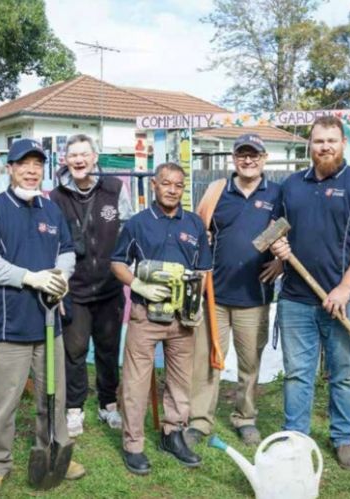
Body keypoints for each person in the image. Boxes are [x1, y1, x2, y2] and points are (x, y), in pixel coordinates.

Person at [269, 116, 350, 470]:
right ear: (310, 144)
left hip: (344, 299)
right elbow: (276, 230)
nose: (325, 147)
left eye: (332, 140)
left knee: (343, 372)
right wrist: (277, 246)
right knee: (297, 373)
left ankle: (343, 438)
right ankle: (295, 437)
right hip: (295, 298)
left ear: (343, 144)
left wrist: (345, 288)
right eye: (319, 141)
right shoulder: (290, 186)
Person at [0, 139, 84, 495]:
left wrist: (61, 276)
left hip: (48, 323)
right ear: (10, 168)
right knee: (3, 401)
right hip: (8, 326)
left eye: (38, 164)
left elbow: (66, 251)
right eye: (24, 164)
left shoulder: (51, 211)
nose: (32, 171)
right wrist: (29, 277)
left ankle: (54, 450)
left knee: (53, 397)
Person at [110, 162, 212, 475]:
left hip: (183, 320)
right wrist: (138, 284)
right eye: (165, 183)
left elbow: (205, 270)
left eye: (178, 185)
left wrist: (194, 303)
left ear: (183, 188)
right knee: (136, 381)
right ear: (154, 185)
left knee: (181, 380)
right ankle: (134, 443)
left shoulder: (194, 224)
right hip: (146, 315)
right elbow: (117, 263)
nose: (171, 189)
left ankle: (173, 433)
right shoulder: (138, 223)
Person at [185, 134, 282, 447]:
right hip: (214, 295)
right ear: (233, 159)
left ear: (264, 159)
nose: (248, 160)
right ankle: (199, 420)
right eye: (242, 154)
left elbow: (287, 233)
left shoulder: (277, 194)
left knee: (250, 364)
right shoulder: (217, 191)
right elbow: (198, 232)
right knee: (207, 361)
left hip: (255, 296)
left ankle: (246, 418)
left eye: (254, 155)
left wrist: (281, 264)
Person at [49, 134, 134, 437]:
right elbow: (53, 240)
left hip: (110, 288)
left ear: (95, 158)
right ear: (65, 160)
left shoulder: (115, 189)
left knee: (109, 348)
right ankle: (75, 408)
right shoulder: (56, 197)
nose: (79, 160)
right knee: (75, 349)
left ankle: (108, 404)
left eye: (85, 154)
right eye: (73, 155)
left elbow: (128, 230)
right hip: (75, 289)